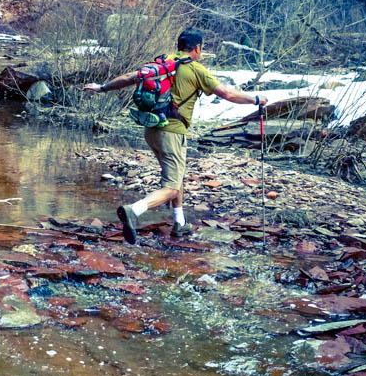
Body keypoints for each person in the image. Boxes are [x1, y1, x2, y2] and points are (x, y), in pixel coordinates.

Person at [94, 28, 268, 243]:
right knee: (171, 187)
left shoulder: (162, 62)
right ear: (197, 48)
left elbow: (130, 77)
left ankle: (180, 223)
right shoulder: (196, 69)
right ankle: (134, 210)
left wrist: (102, 88)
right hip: (173, 133)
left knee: (177, 177)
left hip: (152, 130)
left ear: (179, 45)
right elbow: (227, 94)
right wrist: (256, 99)